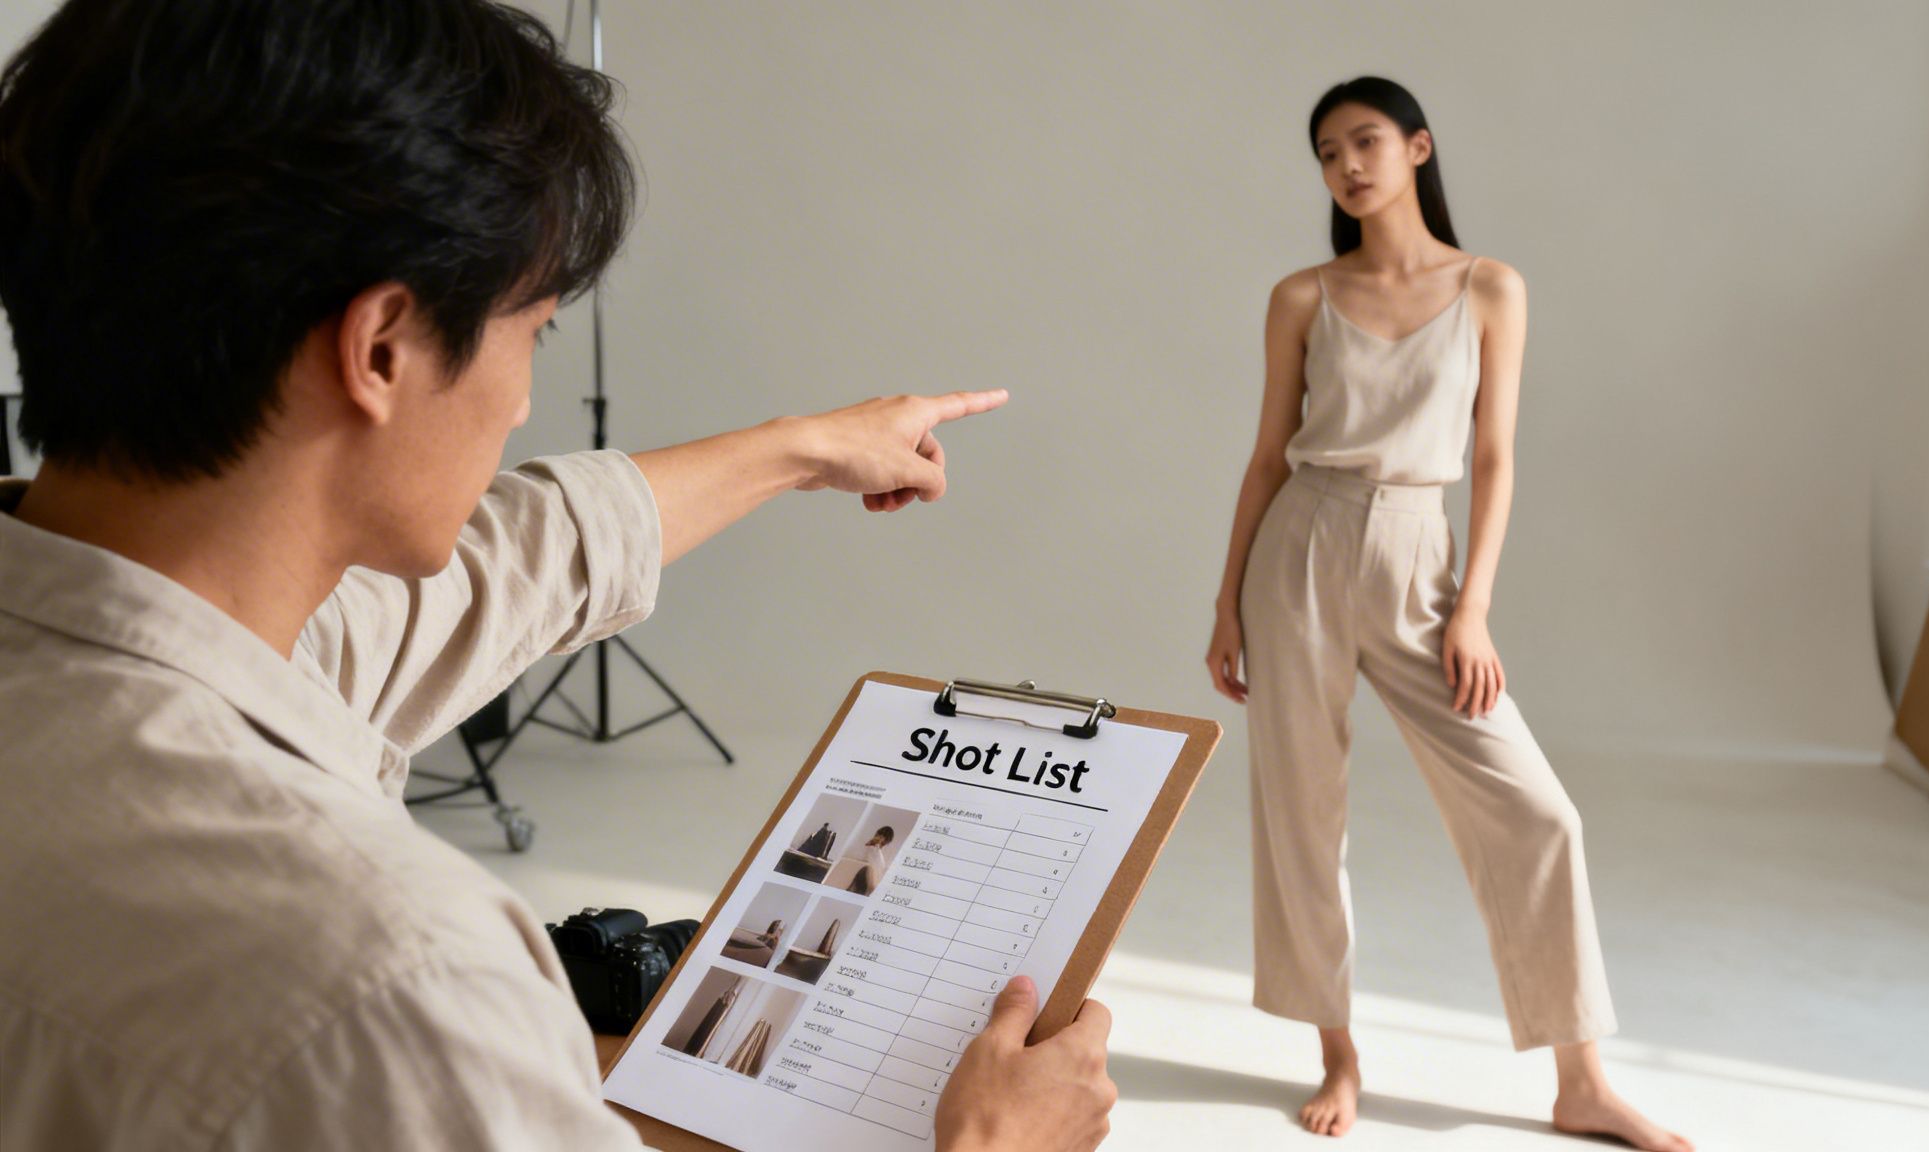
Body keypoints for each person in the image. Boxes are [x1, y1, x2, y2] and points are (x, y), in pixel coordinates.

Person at [0, 2, 1113, 1149]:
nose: (524, 400)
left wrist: (802, 449)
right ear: (381, 347)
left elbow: (507, 561)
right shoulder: (390, 980)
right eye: (529, 328)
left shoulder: (125, 656)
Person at [1204, 77, 1690, 1150]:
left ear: (1417, 147)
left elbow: (1494, 457)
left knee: (1536, 814)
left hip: (1421, 557)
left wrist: (1470, 608)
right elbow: (1260, 459)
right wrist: (1225, 604)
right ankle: (1337, 1056)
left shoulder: (1489, 289)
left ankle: (1579, 1080)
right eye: (1326, 151)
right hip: (1300, 550)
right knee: (1298, 814)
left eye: (1366, 140)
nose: (1346, 164)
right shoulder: (1300, 297)